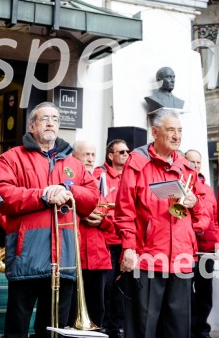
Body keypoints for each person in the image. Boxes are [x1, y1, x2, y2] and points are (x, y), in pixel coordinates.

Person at [0, 102, 99, 338]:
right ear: (32, 126)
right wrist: (42, 195)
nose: (51, 122)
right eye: (44, 118)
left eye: (55, 118)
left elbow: (92, 197)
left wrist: (67, 190)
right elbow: (1, 195)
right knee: (16, 328)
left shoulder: (74, 164)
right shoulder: (12, 157)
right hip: (26, 257)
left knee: (54, 330)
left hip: (65, 259)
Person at [115, 108, 209, 338]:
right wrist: (128, 246)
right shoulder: (137, 163)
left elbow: (204, 218)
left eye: (180, 131)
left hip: (182, 260)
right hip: (147, 258)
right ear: (155, 132)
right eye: (171, 130)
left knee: (178, 329)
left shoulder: (187, 167)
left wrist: (194, 203)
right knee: (142, 328)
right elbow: (124, 209)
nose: (177, 136)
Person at [69, 140, 113, 329]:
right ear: (74, 156)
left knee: (98, 310)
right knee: (71, 310)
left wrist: (103, 220)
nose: (90, 159)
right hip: (74, 254)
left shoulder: (101, 182)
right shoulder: (68, 179)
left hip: (99, 257)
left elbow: (114, 220)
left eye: (93, 155)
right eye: (86, 154)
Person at [184, 149, 219, 338]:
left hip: (206, 249)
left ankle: (202, 329)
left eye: (198, 162)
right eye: (192, 162)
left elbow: (214, 219)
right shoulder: (182, 185)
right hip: (189, 249)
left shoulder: (207, 188)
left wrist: (218, 242)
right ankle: (189, 329)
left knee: (205, 293)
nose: (196, 166)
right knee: (187, 294)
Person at [95, 138, 129, 338]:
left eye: (127, 152)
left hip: (125, 242)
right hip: (106, 241)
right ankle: (104, 328)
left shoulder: (129, 176)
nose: (126, 155)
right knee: (105, 289)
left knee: (121, 289)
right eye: (122, 152)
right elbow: (100, 206)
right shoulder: (101, 174)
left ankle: (116, 329)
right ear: (111, 155)